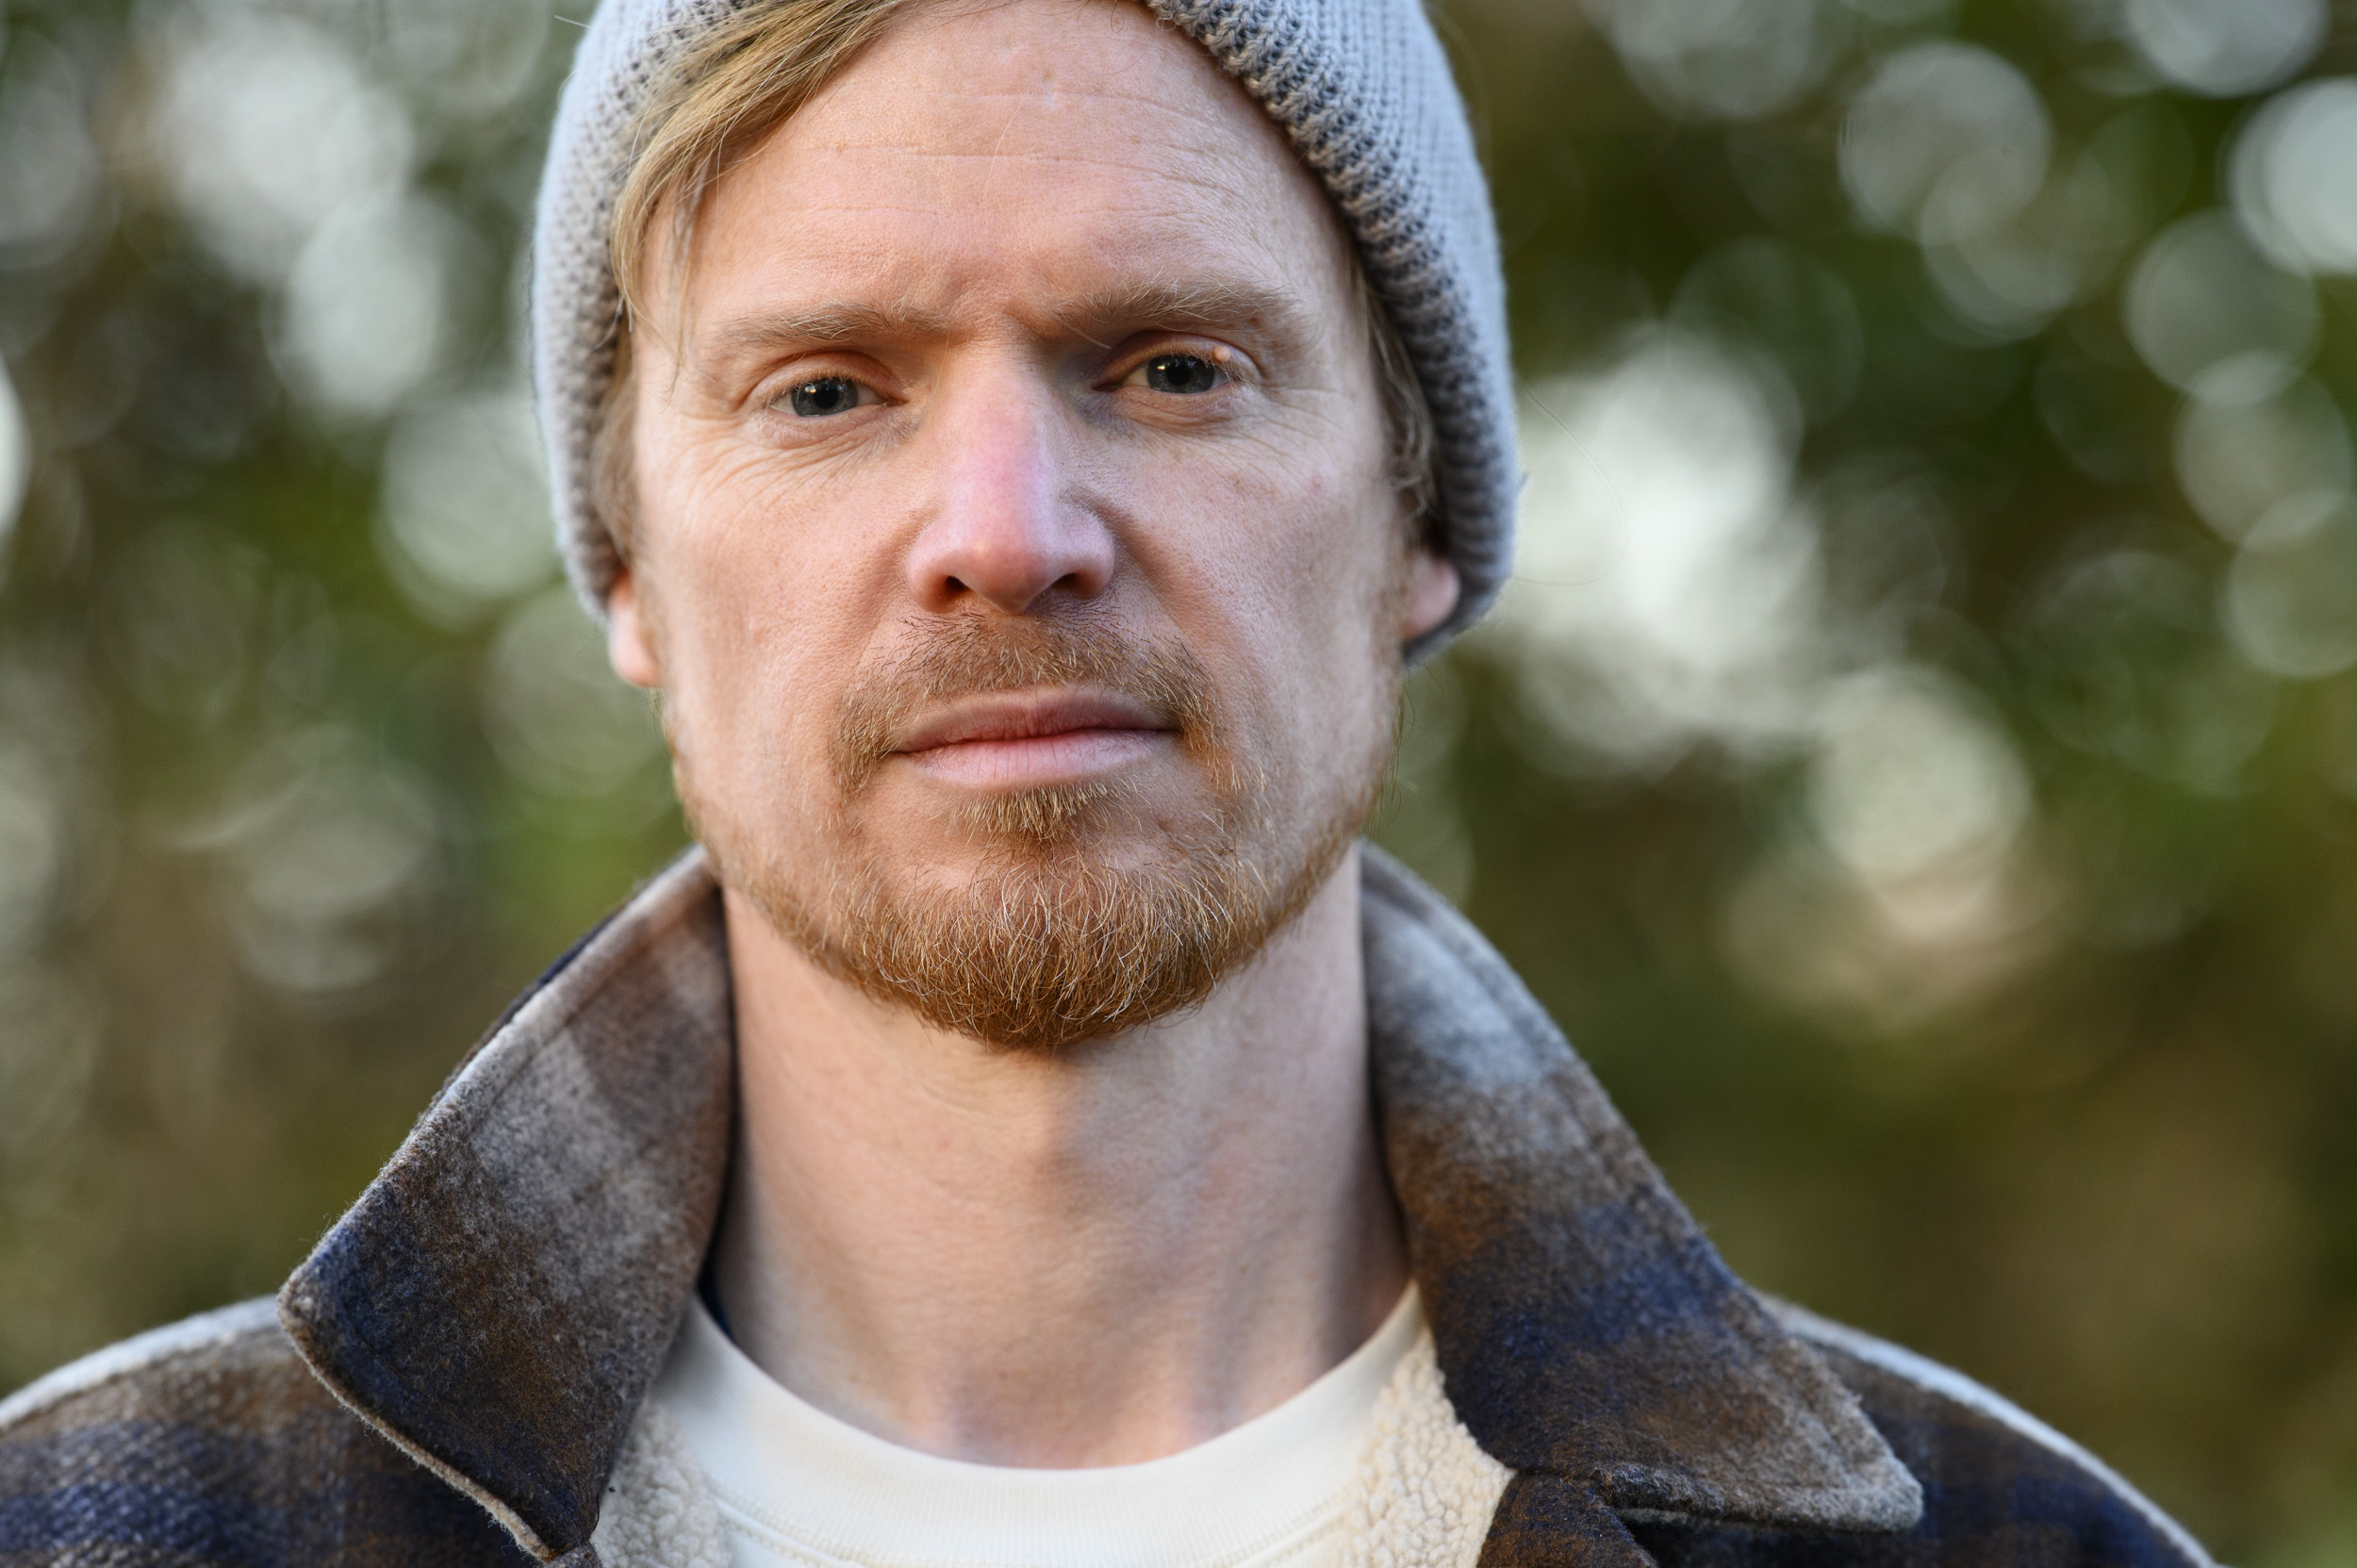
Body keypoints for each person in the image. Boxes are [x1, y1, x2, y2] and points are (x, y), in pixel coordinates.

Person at [0, 0, 2214, 1563]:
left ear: (1414, 522)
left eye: (1170, 366)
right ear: (633, 579)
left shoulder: (2002, 1548)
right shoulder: (120, 1532)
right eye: (823, 391)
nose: (1005, 523)